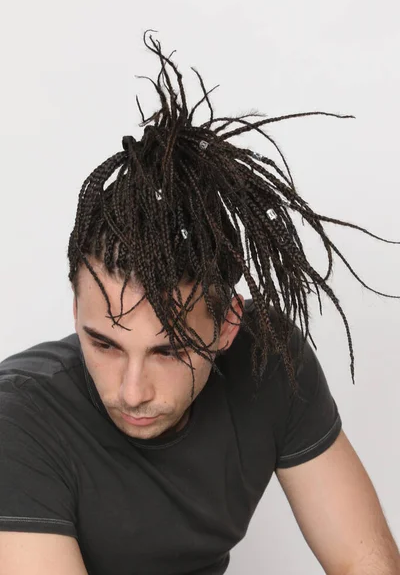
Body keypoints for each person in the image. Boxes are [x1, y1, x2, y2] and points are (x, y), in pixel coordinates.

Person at [0, 32, 399, 575]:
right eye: (105, 343)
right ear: (75, 310)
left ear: (228, 326)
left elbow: (365, 562)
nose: (131, 391)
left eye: (169, 351)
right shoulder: (18, 421)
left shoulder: (267, 361)